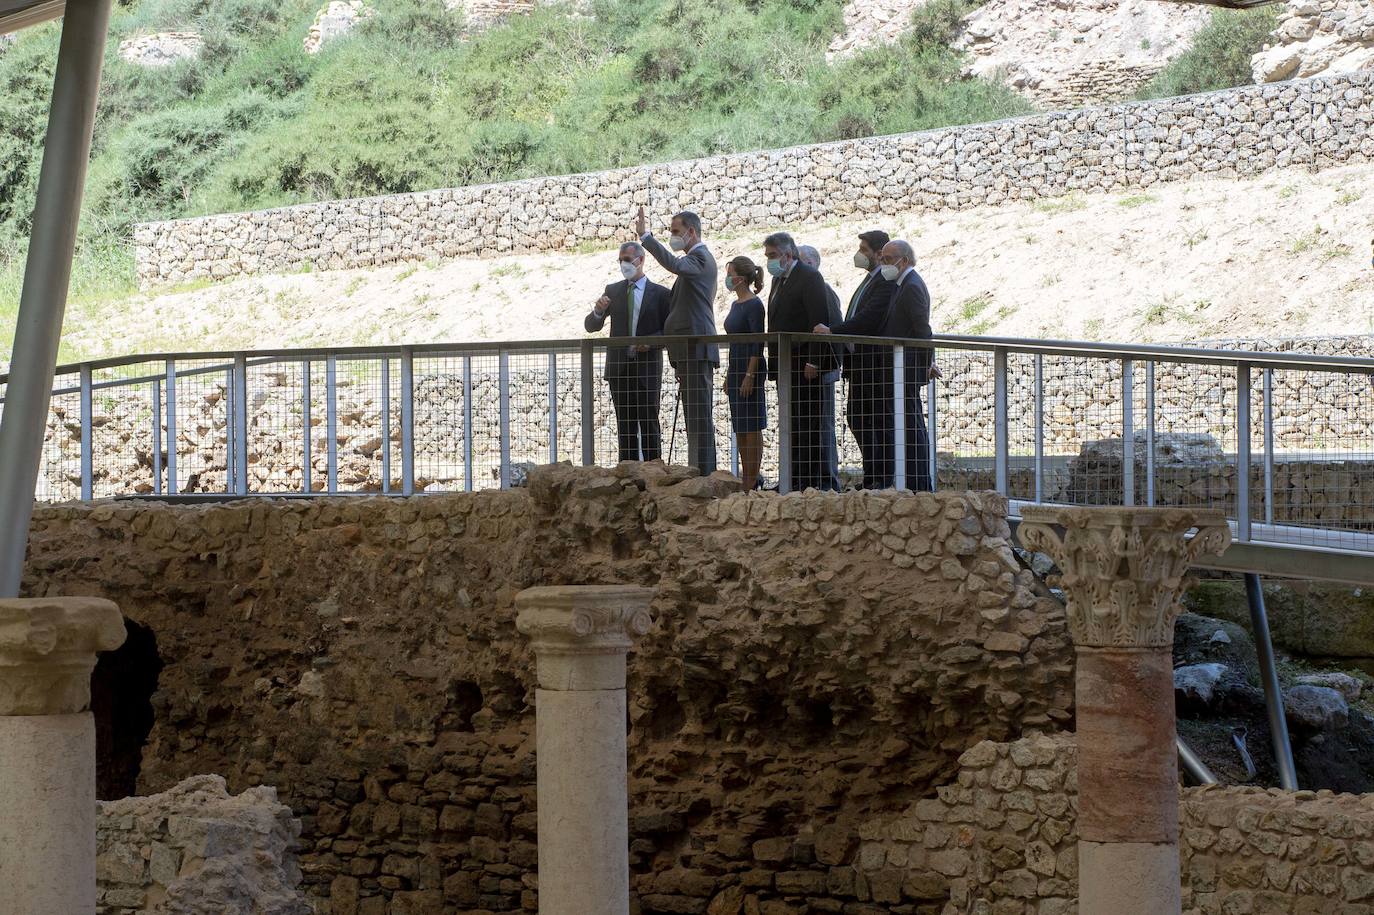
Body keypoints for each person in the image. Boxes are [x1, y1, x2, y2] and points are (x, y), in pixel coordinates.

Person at [636, 206, 719, 474]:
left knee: (699, 418)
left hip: (696, 350)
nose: (673, 236)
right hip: (686, 352)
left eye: (675, 232)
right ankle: (700, 471)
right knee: (693, 417)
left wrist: (646, 238)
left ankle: (705, 475)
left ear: (691, 232)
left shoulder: (700, 259)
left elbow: (673, 264)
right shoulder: (695, 262)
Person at [813, 230, 899, 489]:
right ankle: (873, 477)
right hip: (859, 364)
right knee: (860, 418)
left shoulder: (883, 281)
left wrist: (833, 331)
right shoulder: (870, 280)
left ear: (878, 253)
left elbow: (869, 318)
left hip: (873, 364)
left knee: (873, 420)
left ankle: (881, 479)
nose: (859, 254)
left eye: (864, 250)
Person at [584, 241, 669, 462]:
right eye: (620, 259)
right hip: (619, 369)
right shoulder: (613, 290)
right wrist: (598, 311)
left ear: (640, 260)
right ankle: (627, 476)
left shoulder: (660, 294)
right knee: (625, 425)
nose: (624, 264)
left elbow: (669, 332)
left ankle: (654, 475)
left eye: (628, 259)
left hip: (647, 369)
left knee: (649, 423)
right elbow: (591, 326)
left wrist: (650, 343)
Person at [763, 231, 835, 491]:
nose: (769, 260)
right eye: (767, 256)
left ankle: (810, 483)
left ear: (788, 253)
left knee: (808, 424)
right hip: (785, 364)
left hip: (804, 364)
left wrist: (814, 361)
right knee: (791, 424)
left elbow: (819, 319)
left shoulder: (809, 277)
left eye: (773, 255)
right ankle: (792, 480)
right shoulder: (778, 281)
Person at [878, 239, 939, 491]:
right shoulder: (902, 285)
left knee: (912, 427)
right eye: (882, 258)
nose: (884, 264)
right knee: (906, 425)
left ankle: (918, 485)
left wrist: (927, 362)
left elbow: (922, 329)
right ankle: (911, 482)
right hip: (903, 365)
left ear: (903, 261)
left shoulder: (912, 286)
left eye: (888, 259)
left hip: (909, 366)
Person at [797, 245, 842, 491]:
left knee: (822, 426)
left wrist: (818, 362)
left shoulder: (823, 291)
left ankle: (827, 482)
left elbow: (830, 329)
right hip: (807, 371)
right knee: (808, 426)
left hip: (821, 372)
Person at [721, 256, 767, 490]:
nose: (727, 278)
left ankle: (752, 475)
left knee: (752, 424)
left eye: (730, 274)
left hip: (751, 368)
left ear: (740, 278)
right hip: (737, 365)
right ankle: (745, 475)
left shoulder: (754, 304)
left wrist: (750, 375)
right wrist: (731, 375)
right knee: (740, 424)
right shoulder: (735, 304)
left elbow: (757, 343)